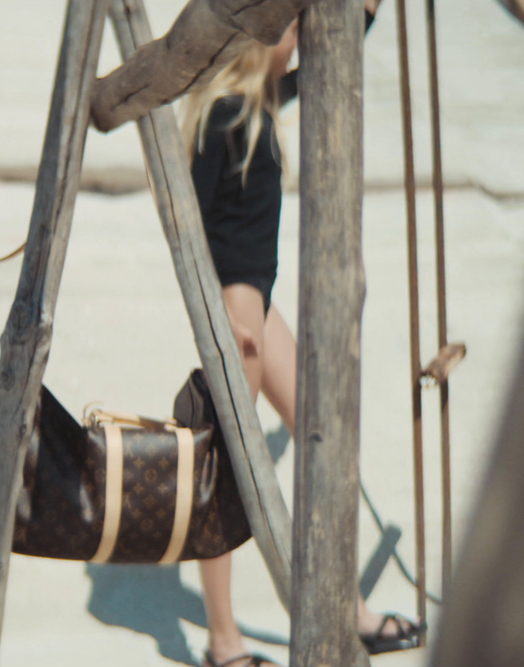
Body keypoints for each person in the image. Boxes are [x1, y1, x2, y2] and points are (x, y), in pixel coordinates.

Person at [179, 2, 424, 666]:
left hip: (261, 302)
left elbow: (329, 55)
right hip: (236, 309)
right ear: (265, 34)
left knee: (323, 431)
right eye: (295, 22)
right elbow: (185, 218)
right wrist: (219, 319)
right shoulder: (225, 113)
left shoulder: (261, 99)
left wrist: (366, 9)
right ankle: (224, 643)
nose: (305, 33)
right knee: (226, 472)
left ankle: (347, 608)